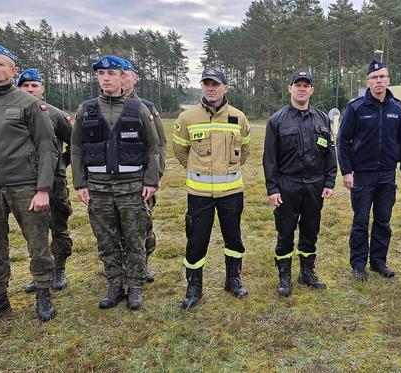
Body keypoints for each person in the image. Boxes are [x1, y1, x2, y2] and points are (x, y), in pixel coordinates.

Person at [0, 44, 59, 323]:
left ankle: (43, 293)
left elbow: (46, 147)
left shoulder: (28, 104)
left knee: (37, 242)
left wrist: (43, 189)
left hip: (25, 186)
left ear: (13, 70)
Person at [71, 55, 160, 310]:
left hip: (132, 187)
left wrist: (151, 181)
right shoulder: (86, 109)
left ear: (124, 77)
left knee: (135, 238)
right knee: (106, 240)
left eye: (112, 73)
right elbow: (76, 149)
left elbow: (154, 147)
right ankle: (114, 284)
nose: (106, 78)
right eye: (101, 74)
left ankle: (135, 286)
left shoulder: (138, 108)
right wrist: (80, 184)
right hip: (98, 189)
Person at [172, 67, 251, 308]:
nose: (210, 88)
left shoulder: (239, 117)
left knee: (234, 239)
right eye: (206, 83)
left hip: (231, 193)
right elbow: (180, 150)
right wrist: (200, 169)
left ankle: (233, 280)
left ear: (225, 88)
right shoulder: (187, 117)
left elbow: (245, 151)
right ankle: (194, 288)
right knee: (196, 242)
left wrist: (225, 171)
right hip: (199, 194)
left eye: (215, 84)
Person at [262, 70, 337, 297]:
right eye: (298, 85)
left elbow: (330, 153)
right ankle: (284, 276)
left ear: (312, 90)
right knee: (285, 232)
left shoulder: (322, 119)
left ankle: (307, 273)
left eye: (306, 85)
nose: (302, 89)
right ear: (290, 88)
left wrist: (329, 181)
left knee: (310, 230)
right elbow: (269, 159)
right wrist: (272, 189)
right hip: (287, 184)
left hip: (315, 185)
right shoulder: (276, 120)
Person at [337, 58, 401, 281]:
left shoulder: (397, 108)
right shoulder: (356, 107)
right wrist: (347, 171)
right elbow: (343, 141)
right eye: (374, 78)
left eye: (382, 77)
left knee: (383, 220)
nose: (379, 81)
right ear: (368, 82)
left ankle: (379, 262)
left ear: (388, 80)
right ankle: (358, 264)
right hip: (362, 174)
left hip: (387, 174)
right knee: (360, 220)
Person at [17, 68, 74, 291]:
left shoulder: (55, 114)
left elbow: (75, 144)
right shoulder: (13, 113)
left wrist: (61, 164)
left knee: (58, 225)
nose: (30, 89)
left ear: (42, 88)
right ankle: (40, 273)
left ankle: (59, 268)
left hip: (54, 182)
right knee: (33, 231)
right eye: (25, 86)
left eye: (34, 85)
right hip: (23, 181)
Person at [120, 58, 167, 283]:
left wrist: (155, 175)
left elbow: (159, 143)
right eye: (115, 74)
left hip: (140, 179)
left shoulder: (146, 107)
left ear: (134, 78)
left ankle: (143, 264)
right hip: (110, 180)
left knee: (143, 224)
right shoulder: (96, 106)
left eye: (125, 74)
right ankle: (119, 267)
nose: (120, 79)